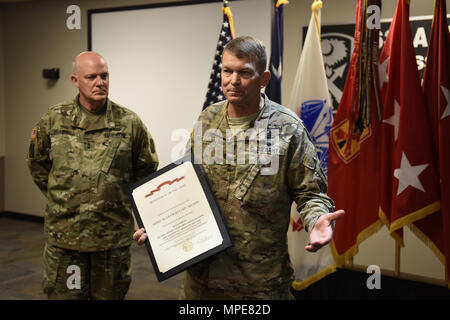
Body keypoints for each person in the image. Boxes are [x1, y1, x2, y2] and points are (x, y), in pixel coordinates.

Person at [134, 36, 344, 299]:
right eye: (227, 71)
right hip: (202, 281)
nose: (233, 80)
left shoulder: (288, 128)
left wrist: (316, 220)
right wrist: (157, 223)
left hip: (259, 284)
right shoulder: (208, 118)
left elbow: (310, 193)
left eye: (244, 73)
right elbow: (185, 182)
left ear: (264, 78)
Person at [27, 52, 159, 299]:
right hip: (65, 240)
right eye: (91, 77)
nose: (100, 82)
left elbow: (146, 170)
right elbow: (37, 165)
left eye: (104, 76)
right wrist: (64, 198)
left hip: (111, 241)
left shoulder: (129, 123)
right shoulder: (53, 120)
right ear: (75, 80)